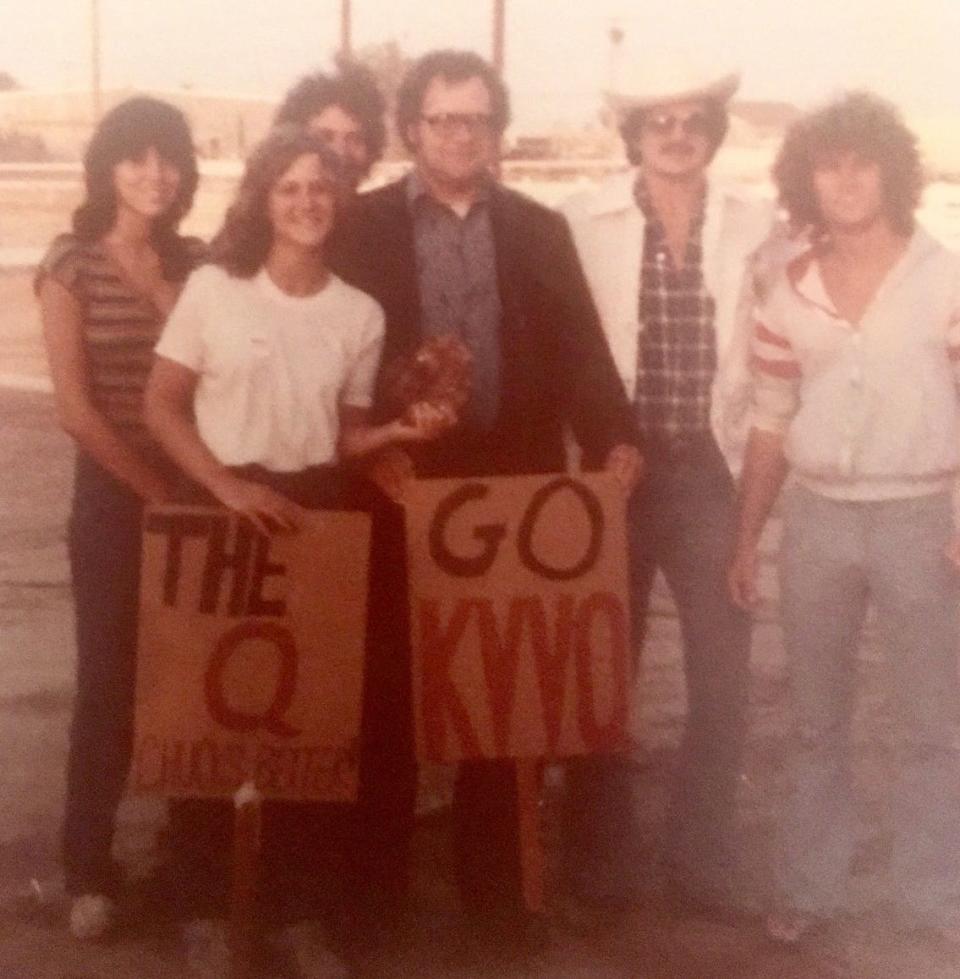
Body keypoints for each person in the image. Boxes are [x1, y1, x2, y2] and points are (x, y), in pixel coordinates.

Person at [330, 48, 641, 937]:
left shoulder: (540, 228)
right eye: (441, 119)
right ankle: (375, 895)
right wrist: (366, 460)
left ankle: (498, 894)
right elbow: (329, 361)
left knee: (501, 696)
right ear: (412, 129)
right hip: (401, 485)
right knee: (388, 695)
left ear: (497, 131)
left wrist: (616, 438)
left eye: (476, 119)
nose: (459, 135)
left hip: (514, 488)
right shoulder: (361, 224)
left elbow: (583, 348)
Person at [144, 126, 450, 976]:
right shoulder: (214, 288)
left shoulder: (361, 312)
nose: (307, 201)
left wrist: (397, 429)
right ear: (262, 199)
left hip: (318, 513)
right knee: (210, 719)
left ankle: (297, 913)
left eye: (322, 186)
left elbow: (345, 435)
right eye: (289, 187)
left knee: (309, 727)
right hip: (225, 506)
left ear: (340, 198)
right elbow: (162, 408)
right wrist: (227, 487)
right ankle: (207, 907)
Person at [728, 92, 960, 943]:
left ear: (892, 171)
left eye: (864, 161)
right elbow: (770, 415)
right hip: (818, 521)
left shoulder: (947, 274)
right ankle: (810, 884)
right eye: (831, 164)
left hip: (922, 516)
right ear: (807, 178)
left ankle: (936, 896)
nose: (848, 179)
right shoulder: (784, 286)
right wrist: (749, 535)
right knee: (816, 718)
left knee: (935, 721)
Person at [562, 58, 781, 907]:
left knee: (721, 670)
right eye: (661, 122)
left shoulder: (758, 221)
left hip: (710, 472)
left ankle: (702, 853)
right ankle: (596, 855)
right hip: (615, 471)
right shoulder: (583, 218)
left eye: (694, 120)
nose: (678, 134)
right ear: (636, 135)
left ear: (714, 133)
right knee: (598, 666)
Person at [35, 96, 201, 941]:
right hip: (113, 504)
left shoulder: (204, 264)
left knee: (196, 684)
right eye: (135, 158)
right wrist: (154, 490)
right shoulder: (70, 265)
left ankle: (187, 857)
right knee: (111, 687)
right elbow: (74, 410)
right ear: (106, 169)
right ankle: (87, 870)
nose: (154, 174)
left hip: (199, 501)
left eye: (168, 158)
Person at [274, 60, 387, 194]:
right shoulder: (267, 213)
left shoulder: (380, 213)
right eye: (325, 137)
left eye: (355, 139)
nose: (340, 152)